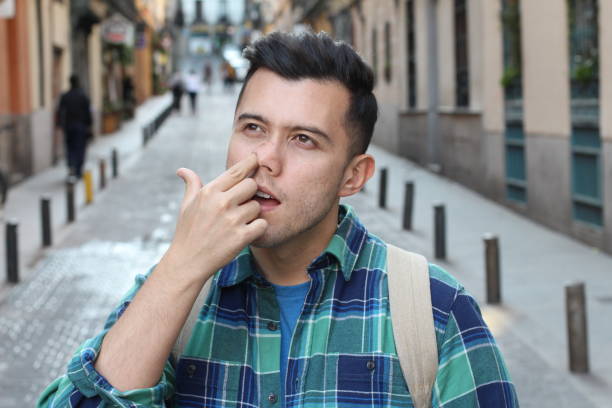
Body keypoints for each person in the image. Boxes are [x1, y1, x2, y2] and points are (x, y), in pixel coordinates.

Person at [38, 32, 519, 407]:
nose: (266, 158)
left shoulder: (434, 314)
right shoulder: (176, 297)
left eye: (303, 139)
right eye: (253, 128)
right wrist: (181, 268)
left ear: (354, 176)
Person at [56, 74, 92, 179]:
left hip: (69, 126)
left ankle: (71, 166)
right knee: (80, 148)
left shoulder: (65, 96)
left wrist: (60, 124)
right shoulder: (83, 96)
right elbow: (88, 113)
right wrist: (89, 125)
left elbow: (60, 111)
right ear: (78, 82)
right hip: (80, 126)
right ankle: (78, 170)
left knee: (70, 148)